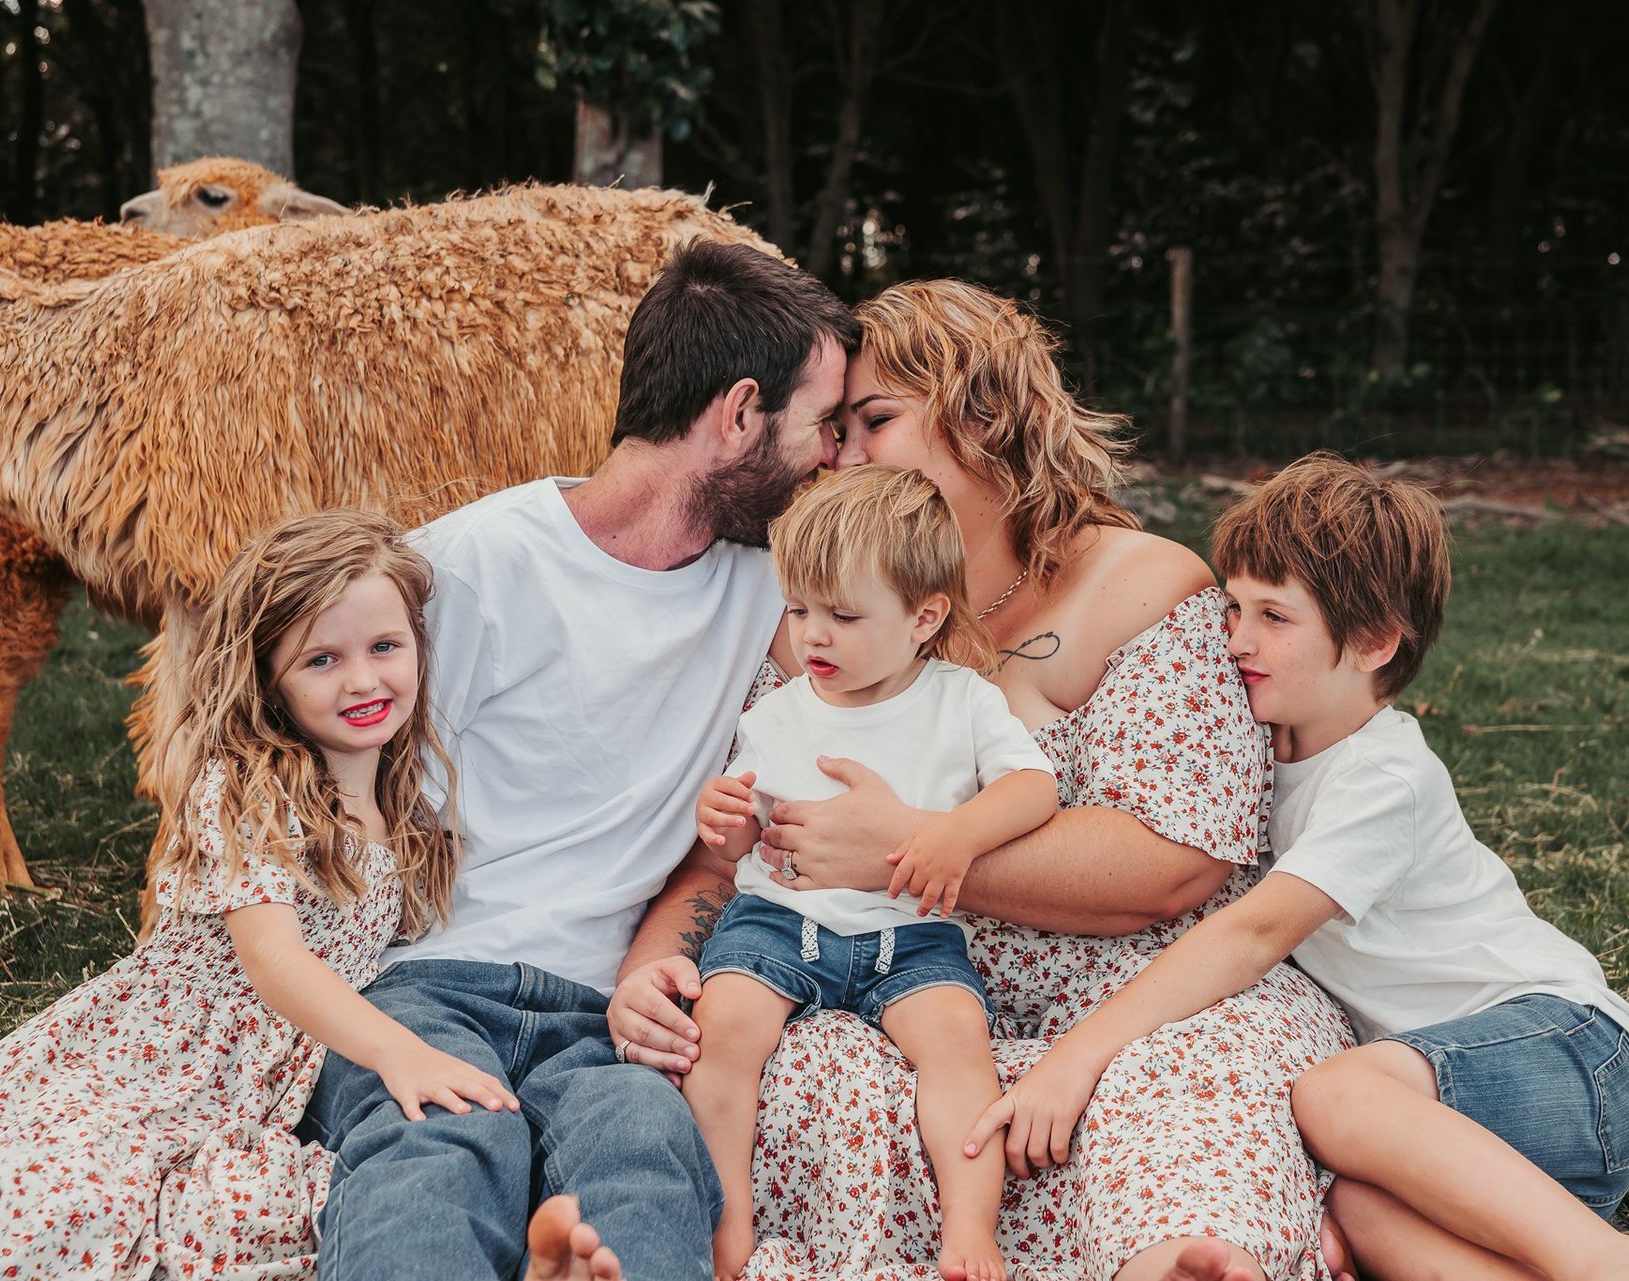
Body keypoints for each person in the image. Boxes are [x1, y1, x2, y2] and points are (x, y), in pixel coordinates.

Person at [611, 279, 1359, 1281]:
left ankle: (1176, 1262)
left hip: (1137, 996)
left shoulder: (1138, 587)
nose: (843, 456)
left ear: (986, 415)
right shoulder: (820, 620)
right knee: (799, 1079)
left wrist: (904, 852)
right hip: (878, 992)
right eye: (834, 430)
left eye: (875, 420)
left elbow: (1172, 864)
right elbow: (732, 853)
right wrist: (651, 969)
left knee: (1179, 1088)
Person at [961, 454, 1629, 1281]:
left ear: (1374, 640)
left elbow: (1253, 931)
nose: (1234, 639)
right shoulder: (1258, 756)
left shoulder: (1384, 776)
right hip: (1459, 1122)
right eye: (1233, 607)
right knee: (1355, 1209)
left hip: (1573, 1053)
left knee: (1335, 1098)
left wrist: (1077, 1056)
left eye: (1274, 616)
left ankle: (1618, 1269)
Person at [294, 239, 863, 1281]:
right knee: (441, 1147)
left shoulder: (771, 594)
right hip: (422, 983)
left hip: (602, 1016)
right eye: (823, 425)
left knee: (646, 1157)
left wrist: (653, 966)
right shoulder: (462, 569)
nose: (835, 456)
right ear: (738, 415)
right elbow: (300, 790)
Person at [0, 509, 493, 1280]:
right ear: (267, 674)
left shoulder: (407, 805)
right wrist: (398, 1052)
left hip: (262, 1076)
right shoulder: (255, 789)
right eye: (322, 660)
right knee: (68, 1197)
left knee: (274, 1207)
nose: (364, 679)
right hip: (173, 1051)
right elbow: (272, 958)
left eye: (384, 647)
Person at [688, 465, 1058, 1281]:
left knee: (960, 1048)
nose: (813, 636)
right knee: (726, 1029)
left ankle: (970, 1229)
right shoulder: (776, 711)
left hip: (912, 933)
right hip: (780, 922)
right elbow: (738, 844)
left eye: (843, 615)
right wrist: (723, 822)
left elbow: (1034, 787)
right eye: (797, 610)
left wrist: (957, 835)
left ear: (925, 616)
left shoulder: (960, 700)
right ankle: (729, 1220)